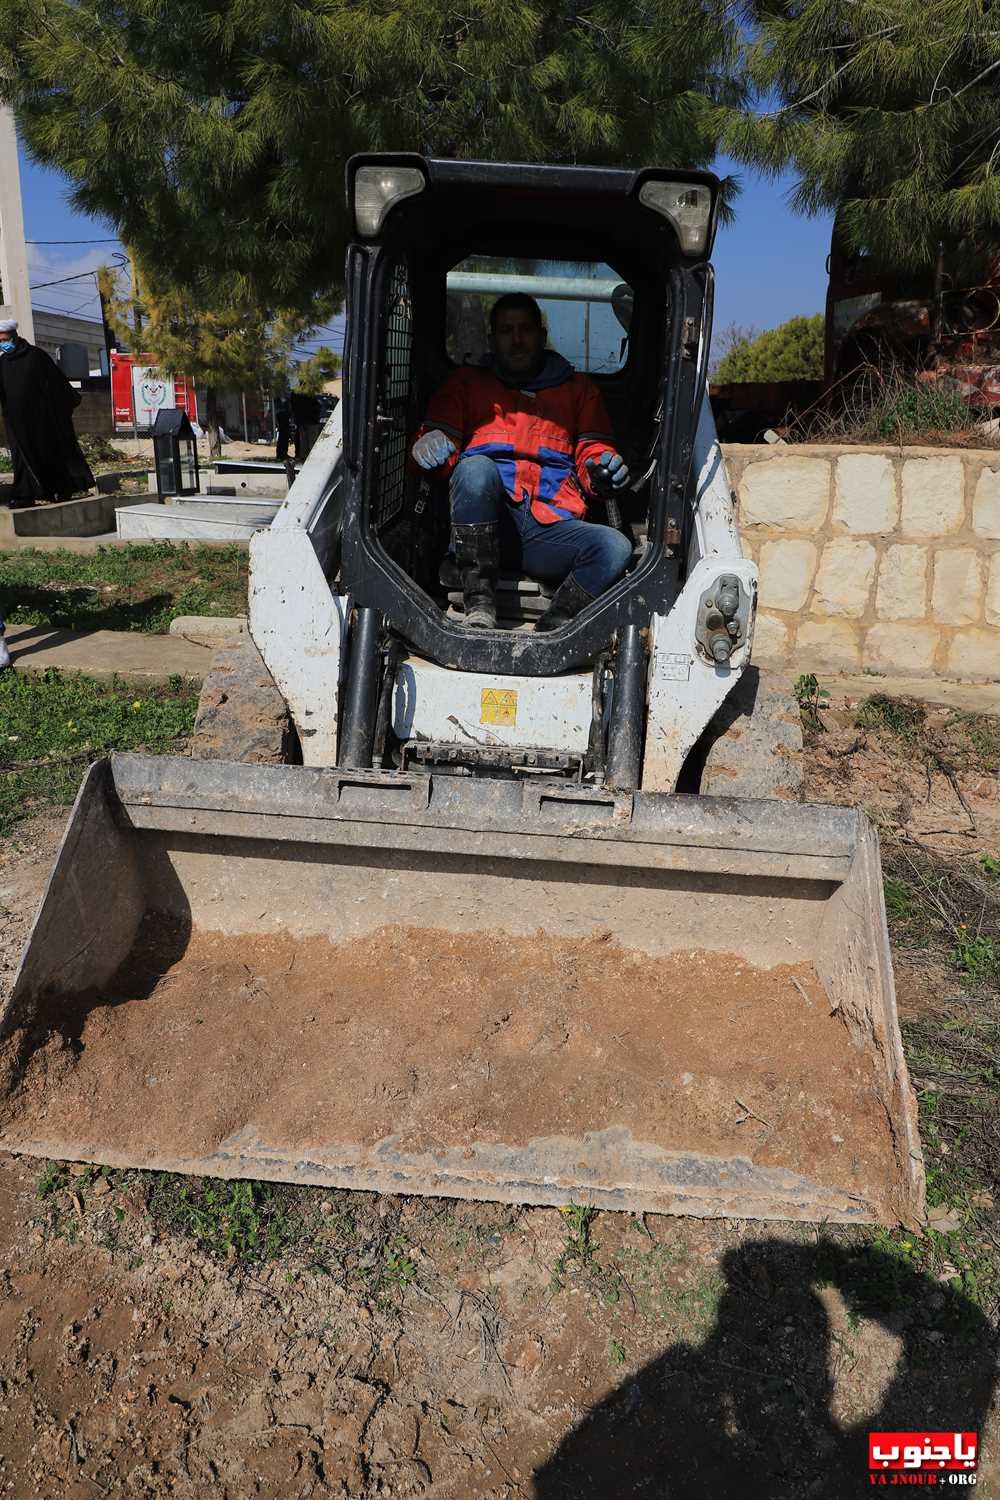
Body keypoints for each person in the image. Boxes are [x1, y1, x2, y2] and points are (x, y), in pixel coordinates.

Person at [412, 294, 632, 630]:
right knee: (475, 469)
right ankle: (479, 604)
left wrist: (603, 470)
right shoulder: (466, 384)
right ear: (491, 340)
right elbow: (443, 456)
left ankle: (555, 627)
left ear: (542, 337)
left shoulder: (579, 390)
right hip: (487, 527)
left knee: (615, 548)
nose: (517, 340)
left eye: (526, 330)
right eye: (506, 331)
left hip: (550, 530)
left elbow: (593, 450)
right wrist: (428, 443)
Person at [0, 318, 95, 510]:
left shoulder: (36, 356)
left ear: (15, 337)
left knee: (49, 453)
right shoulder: (2, 362)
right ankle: (25, 495)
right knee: (22, 458)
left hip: (42, 419)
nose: (3, 344)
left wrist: (55, 410)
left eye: (5, 339)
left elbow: (56, 384)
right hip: (16, 422)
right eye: (0, 341)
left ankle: (60, 489)